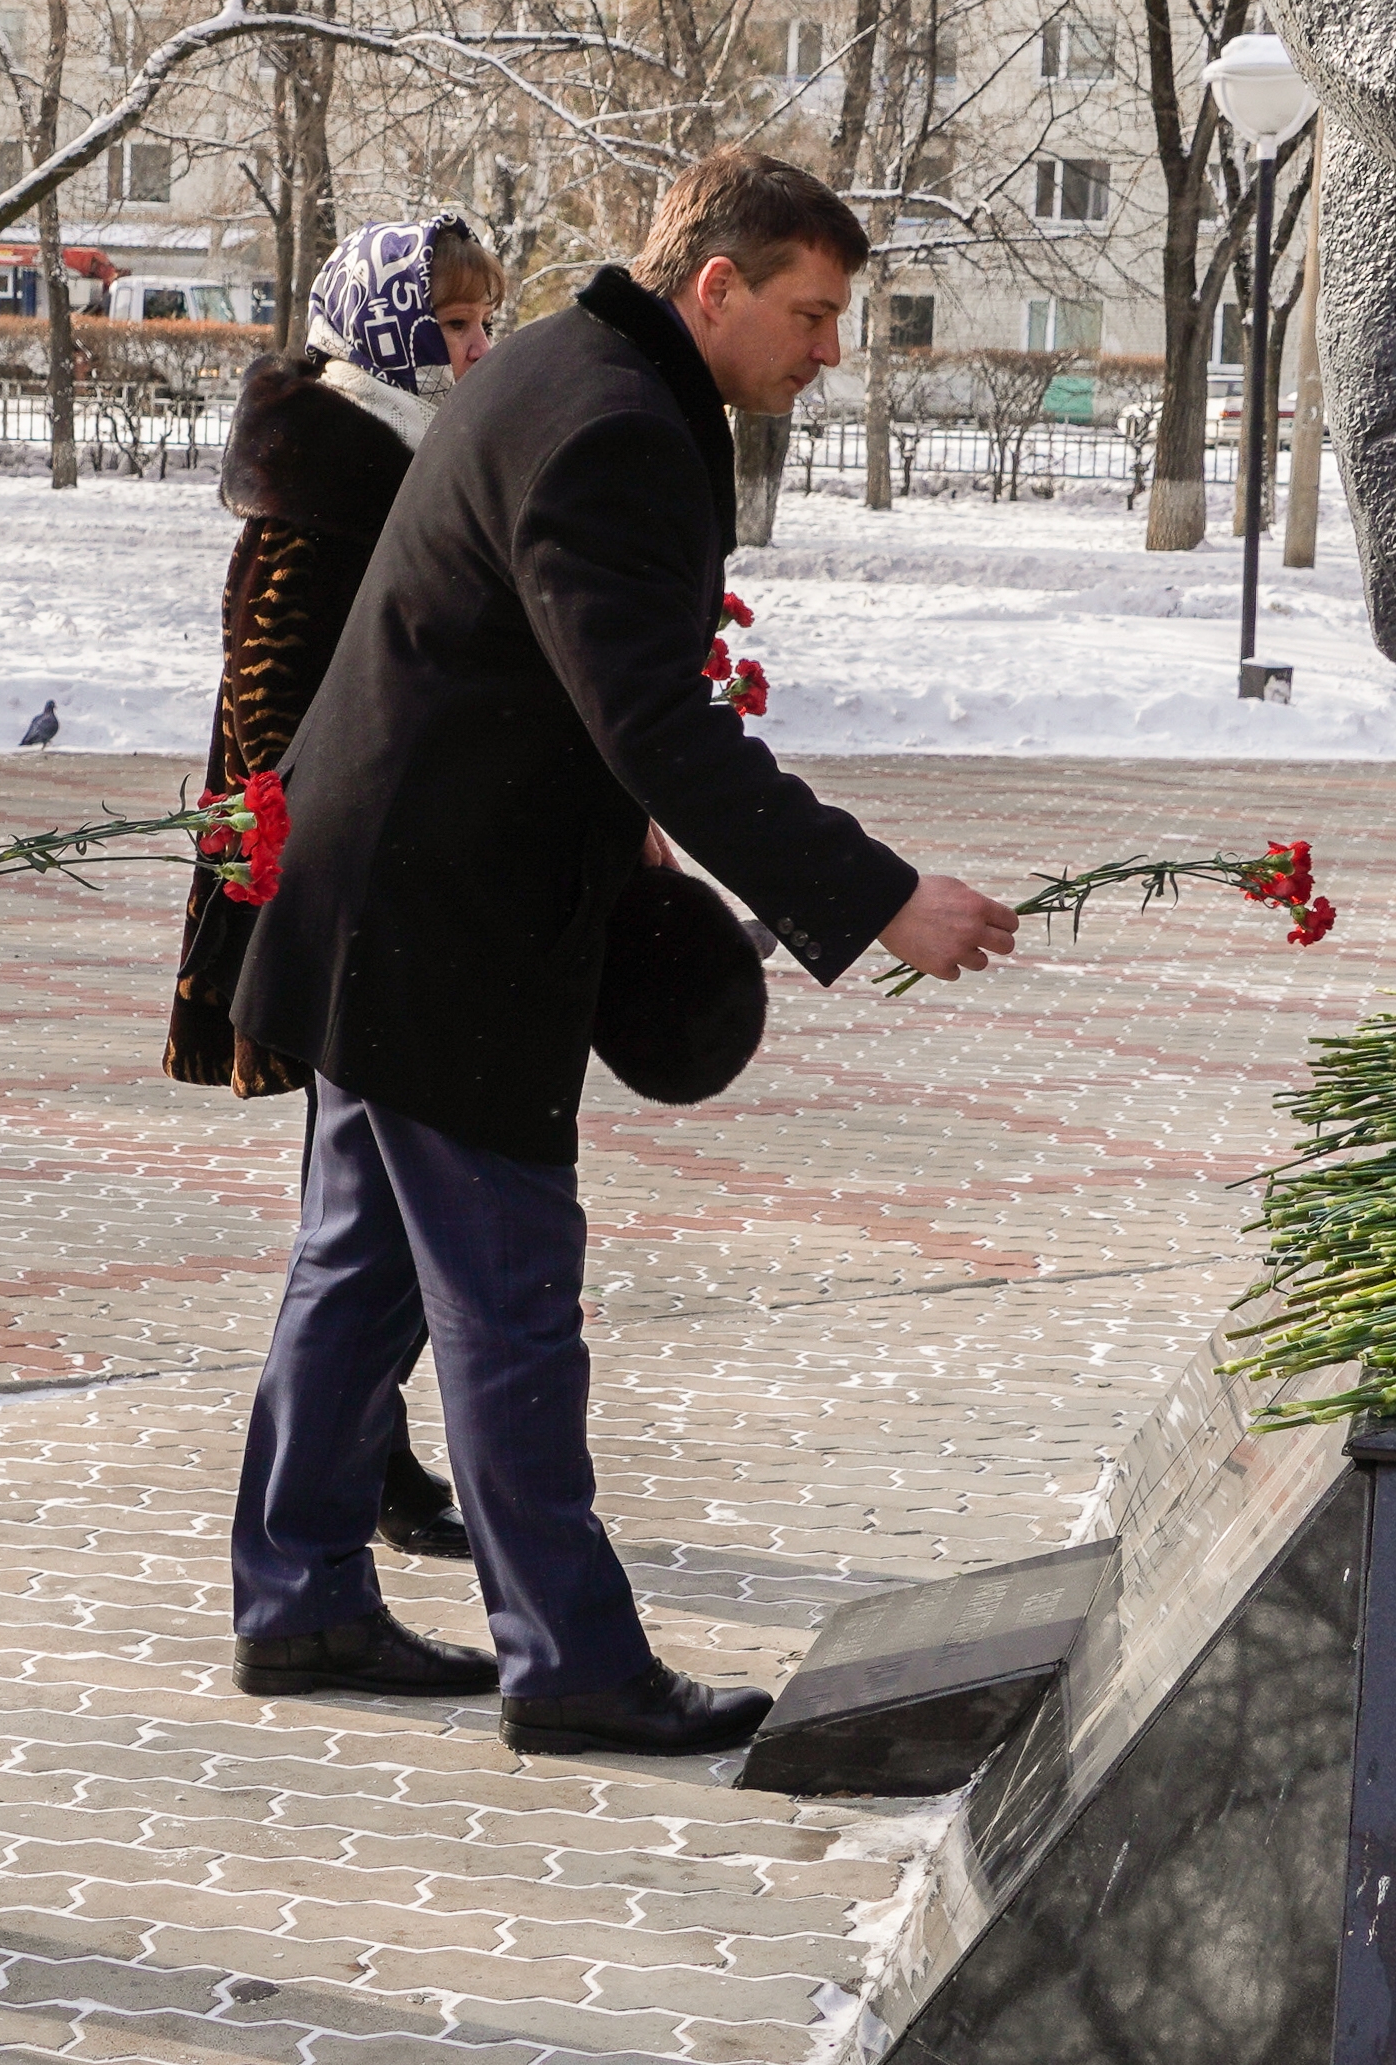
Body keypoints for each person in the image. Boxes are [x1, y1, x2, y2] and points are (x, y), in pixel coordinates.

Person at [221, 150, 1021, 1755]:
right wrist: (874, 897)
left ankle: (299, 1600)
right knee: (509, 1298)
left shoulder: (555, 364)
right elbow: (655, 717)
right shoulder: (613, 425)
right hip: (449, 922)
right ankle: (571, 1664)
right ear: (712, 286)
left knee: (357, 1269)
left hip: (380, 886)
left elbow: (551, 667)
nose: (827, 349)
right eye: (807, 312)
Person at [169, 212, 511, 1565]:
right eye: (453, 327)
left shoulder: (406, 453)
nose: (477, 349)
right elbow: (271, 711)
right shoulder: (322, 485)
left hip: (384, 887)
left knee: (366, 1212)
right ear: (384, 333)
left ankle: (363, 1453)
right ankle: (346, 1466)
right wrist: (358, 860)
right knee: (362, 1213)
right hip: (341, 895)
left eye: (486, 324)